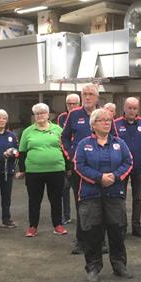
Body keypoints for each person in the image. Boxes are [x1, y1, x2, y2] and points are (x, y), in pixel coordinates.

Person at [74, 108, 134, 282]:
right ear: (93, 124)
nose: (107, 123)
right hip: (90, 194)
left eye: (109, 120)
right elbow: (79, 166)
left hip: (114, 193)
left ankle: (119, 265)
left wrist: (114, 176)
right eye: (102, 120)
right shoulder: (84, 144)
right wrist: (99, 178)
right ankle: (93, 267)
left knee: (117, 230)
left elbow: (128, 162)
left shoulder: (119, 143)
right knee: (92, 232)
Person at [61, 84, 100, 254]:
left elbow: (114, 137)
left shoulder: (104, 114)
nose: (87, 97)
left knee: (99, 204)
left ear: (97, 97)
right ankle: (81, 240)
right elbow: (64, 137)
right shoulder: (74, 114)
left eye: (91, 94)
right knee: (81, 204)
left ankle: (100, 241)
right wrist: (71, 155)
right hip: (79, 169)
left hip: (99, 168)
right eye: (85, 94)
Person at [18, 103, 67, 238]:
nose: (40, 115)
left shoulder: (58, 129)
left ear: (48, 115)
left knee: (56, 199)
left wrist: (68, 168)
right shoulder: (27, 131)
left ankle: (58, 225)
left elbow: (65, 149)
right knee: (34, 200)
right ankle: (33, 227)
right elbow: (22, 151)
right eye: (37, 113)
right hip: (34, 171)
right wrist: (22, 170)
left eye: (42, 113)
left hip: (56, 170)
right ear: (34, 116)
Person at [113, 97, 141, 238]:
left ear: (138, 109)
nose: (132, 111)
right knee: (120, 198)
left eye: (134, 108)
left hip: (139, 167)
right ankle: (121, 227)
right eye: (129, 108)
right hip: (121, 169)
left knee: (138, 198)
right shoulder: (115, 124)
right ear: (124, 108)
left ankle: (136, 226)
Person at [0, 109, 19, 230]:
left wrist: (11, 153)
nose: (1, 120)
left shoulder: (11, 135)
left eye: (4, 118)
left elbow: (17, 152)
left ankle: (6, 219)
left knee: (6, 196)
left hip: (8, 171)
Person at [57, 93, 80, 225]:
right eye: (69, 104)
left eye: (74, 103)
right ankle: (66, 216)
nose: (71, 106)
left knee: (78, 191)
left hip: (78, 158)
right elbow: (63, 136)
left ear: (79, 104)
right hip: (65, 157)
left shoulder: (81, 115)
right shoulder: (62, 117)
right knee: (64, 189)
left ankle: (81, 216)